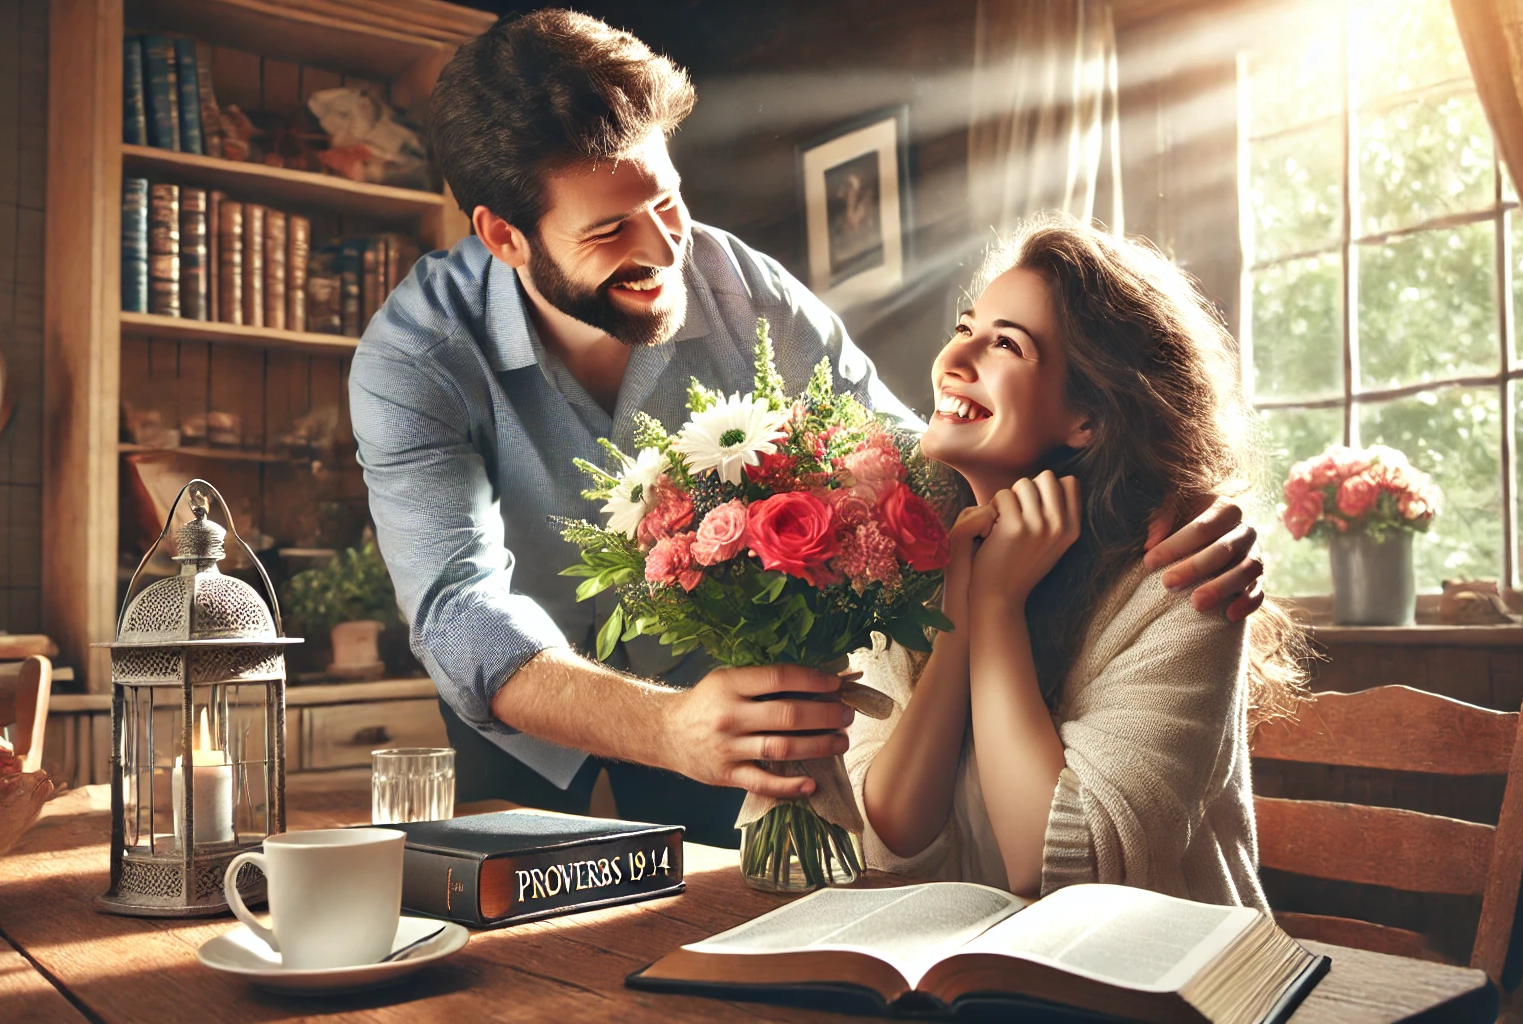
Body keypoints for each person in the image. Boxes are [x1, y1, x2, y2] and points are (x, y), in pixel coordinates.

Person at [350, 10, 1268, 848]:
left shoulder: (745, 290)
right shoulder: (416, 358)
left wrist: (1165, 486)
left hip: (742, 710)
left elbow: (909, 463)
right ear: (504, 236)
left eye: (668, 199)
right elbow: (455, 607)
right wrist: (663, 728)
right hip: (530, 725)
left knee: (722, 943)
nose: (666, 249)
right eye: (610, 231)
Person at [848, 217, 1309, 904]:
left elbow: (1066, 870)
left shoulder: (1183, 575)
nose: (956, 360)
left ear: (1087, 417)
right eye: (965, 329)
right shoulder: (902, 551)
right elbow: (889, 834)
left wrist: (999, 606)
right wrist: (964, 613)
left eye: (1006, 344)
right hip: (966, 981)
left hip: (1153, 985)